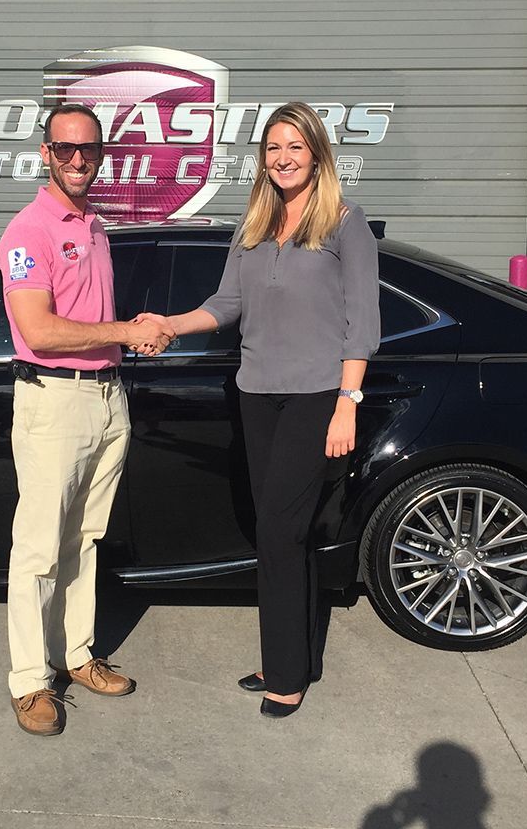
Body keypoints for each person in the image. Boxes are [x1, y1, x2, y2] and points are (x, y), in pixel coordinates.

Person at [139, 101, 380, 718]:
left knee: (278, 528)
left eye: (295, 147)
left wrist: (347, 403)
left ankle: (286, 674)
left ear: (317, 155)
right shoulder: (252, 227)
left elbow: (362, 325)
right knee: (282, 533)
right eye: (274, 148)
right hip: (257, 394)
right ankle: (290, 656)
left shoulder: (344, 226)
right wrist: (170, 323)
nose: (284, 158)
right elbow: (224, 305)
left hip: (316, 396)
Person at [0, 102, 174, 737]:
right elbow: (39, 329)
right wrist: (127, 331)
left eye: (89, 149)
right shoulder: (28, 231)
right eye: (65, 149)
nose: (78, 159)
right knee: (40, 546)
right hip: (54, 400)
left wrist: (133, 339)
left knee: (84, 540)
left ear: (101, 155)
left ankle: (75, 656)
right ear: (45, 153)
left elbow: (91, 322)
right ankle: (29, 681)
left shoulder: (94, 226)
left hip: (105, 397)